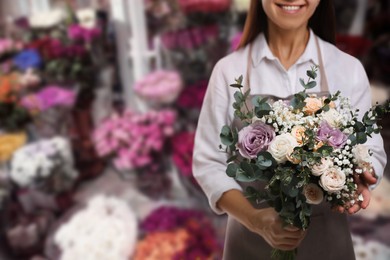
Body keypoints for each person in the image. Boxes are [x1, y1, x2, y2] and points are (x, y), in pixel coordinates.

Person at [192, 0, 387, 259]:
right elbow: (208, 163)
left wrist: (362, 173)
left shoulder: (347, 69)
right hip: (248, 242)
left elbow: (370, 149)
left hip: (327, 243)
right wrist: (255, 219)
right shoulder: (229, 71)